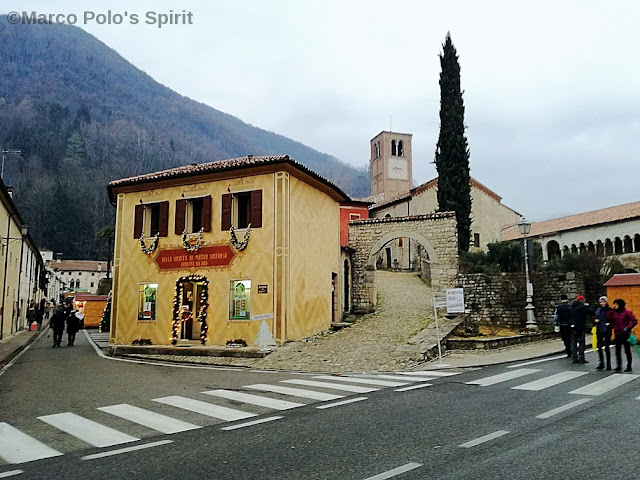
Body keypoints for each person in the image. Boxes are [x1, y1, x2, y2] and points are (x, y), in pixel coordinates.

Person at [610, 298, 638, 372]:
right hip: (617, 333)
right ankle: (619, 365)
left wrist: (628, 327)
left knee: (627, 350)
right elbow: (612, 320)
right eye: (614, 304)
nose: (615, 305)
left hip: (625, 334)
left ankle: (629, 366)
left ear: (620, 305)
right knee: (617, 350)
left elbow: (634, 321)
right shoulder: (614, 312)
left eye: (616, 304)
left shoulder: (627, 312)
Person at [569, 295, 595, 364]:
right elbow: (592, 311)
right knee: (581, 343)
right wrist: (587, 306)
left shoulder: (571, 307)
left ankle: (574, 357)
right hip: (580, 327)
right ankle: (581, 358)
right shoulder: (582, 307)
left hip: (572, 327)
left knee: (573, 343)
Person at [594, 296, 613, 370]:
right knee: (599, 346)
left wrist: (609, 324)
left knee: (607, 347)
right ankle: (601, 363)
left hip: (607, 330)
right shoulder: (598, 310)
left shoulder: (610, 311)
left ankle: (608, 364)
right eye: (601, 302)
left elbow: (613, 320)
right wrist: (595, 320)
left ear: (606, 302)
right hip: (599, 330)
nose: (602, 303)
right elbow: (595, 317)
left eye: (604, 302)